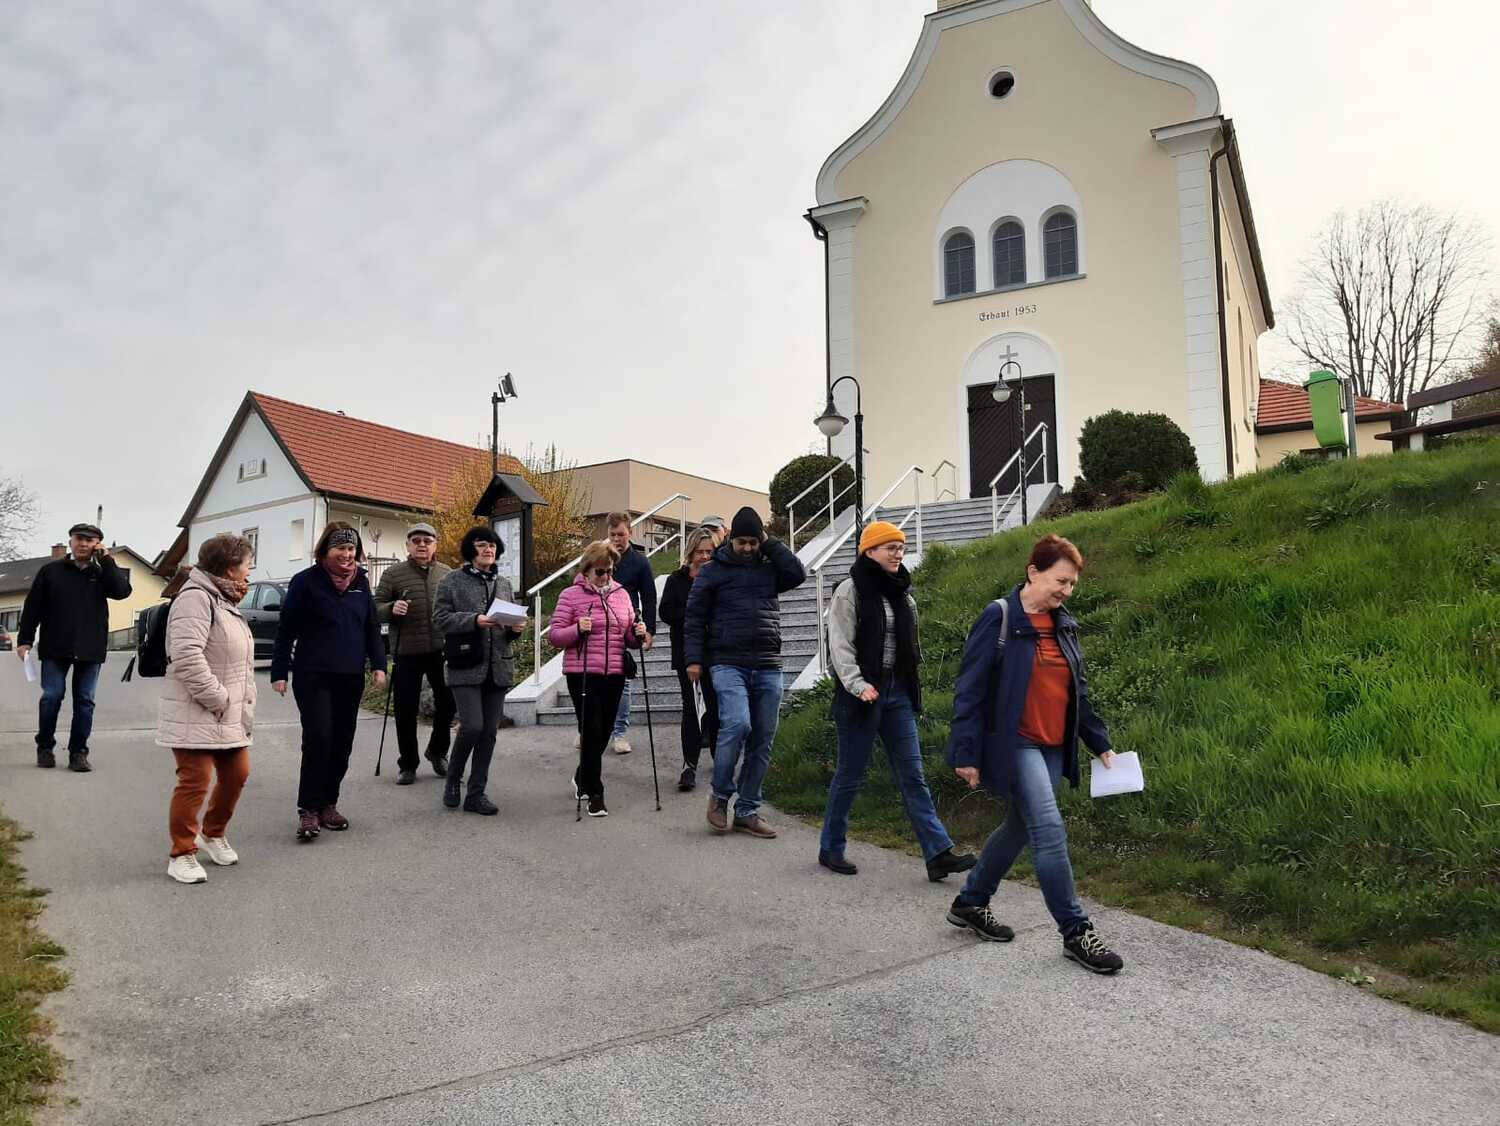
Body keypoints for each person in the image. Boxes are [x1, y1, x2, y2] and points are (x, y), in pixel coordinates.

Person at [943, 533, 1124, 975]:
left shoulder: (1064, 624)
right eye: (1061, 581)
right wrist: (965, 751)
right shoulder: (1000, 617)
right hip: (1016, 742)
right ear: (1033, 572)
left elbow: (1076, 690)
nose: (1067, 591)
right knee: (1047, 828)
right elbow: (970, 688)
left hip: (1052, 743)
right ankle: (1076, 931)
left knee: (1019, 827)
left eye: (1072, 584)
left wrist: (1098, 740)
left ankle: (971, 902)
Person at [818, 522, 976, 881]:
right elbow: (839, 645)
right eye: (890, 547)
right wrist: (857, 684)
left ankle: (937, 854)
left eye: (901, 547)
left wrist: (908, 685)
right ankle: (831, 848)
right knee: (850, 776)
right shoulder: (849, 590)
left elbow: (910, 647)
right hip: (860, 696)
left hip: (897, 695)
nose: (898, 553)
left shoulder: (903, 593)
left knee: (912, 775)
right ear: (869, 551)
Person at [683, 506, 805, 838]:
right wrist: (693, 659)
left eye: (754, 541)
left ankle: (747, 809)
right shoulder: (712, 571)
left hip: (767, 662)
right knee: (737, 724)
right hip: (727, 662)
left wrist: (770, 543)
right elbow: (694, 618)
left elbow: (798, 574)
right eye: (742, 542)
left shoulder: (769, 566)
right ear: (731, 540)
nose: (748, 548)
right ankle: (720, 796)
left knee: (763, 738)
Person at [270, 522, 386, 841]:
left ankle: (328, 804)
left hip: (350, 676)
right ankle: (308, 809)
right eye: (340, 549)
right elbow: (286, 629)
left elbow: (371, 628)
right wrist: (279, 671)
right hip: (313, 675)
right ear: (325, 550)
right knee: (319, 738)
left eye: (351, 549)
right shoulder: (305, 582)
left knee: (342, 742)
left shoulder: (361, 583)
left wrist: (379, 665)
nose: (347, 555)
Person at [155, 533, 257, 884]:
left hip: (226, 712)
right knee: (195, 781)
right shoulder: (195, 597)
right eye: (247, 564)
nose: (250, 570)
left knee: (237, 774)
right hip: (197, 708)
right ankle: (181, 853)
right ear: (229, 568)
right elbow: (186, 655)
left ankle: (213, 833)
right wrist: (217, 698)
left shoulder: (224, 598)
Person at [16, 522, 133, 772]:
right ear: (70, 541)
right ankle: (45, 746)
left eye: (90, 540)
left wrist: (108, 561)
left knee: (85, 701)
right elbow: (33, 607)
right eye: (79, 538)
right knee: (51, 696)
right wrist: (25, 640)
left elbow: (122, 591)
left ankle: (78, 752)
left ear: (97, 545)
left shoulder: (102, 572)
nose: (83, 544)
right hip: (55, 645)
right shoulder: (51, 571)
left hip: (90, 648)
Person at [546, 541, 647, 817]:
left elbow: (628, 637)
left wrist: (637, 633)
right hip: (582, 674)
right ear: (587, 570)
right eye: (600, 572)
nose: (605, 577)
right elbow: (555, 636)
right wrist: (577, 629)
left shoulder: (621, 595)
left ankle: (582, 776)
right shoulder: (570, 595)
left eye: (610, 571)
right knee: (591, 730)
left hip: (614, 673)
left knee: (603, 733)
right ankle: (596, 793)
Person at [432, 526, 526, 815]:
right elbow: (440, 618)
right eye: (482, 544)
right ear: (470, 549)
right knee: (472, 726)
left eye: (493, 545)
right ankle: (453, 779)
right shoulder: (451, 581)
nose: (488, 549)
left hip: (498, 667)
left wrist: (516, 629)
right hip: (464, 666)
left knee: (488, 733)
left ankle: (476, 793)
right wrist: (474, 620)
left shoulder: (504, 584)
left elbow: (508, 627)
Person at [374, 522, 456, 785]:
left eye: (427, 541)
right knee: (405, 710)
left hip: (441, 651)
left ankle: (437, 752)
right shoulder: (393, 574)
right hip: (406, 651)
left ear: (435, 545)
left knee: (449, 702)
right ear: (408, 545)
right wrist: (391, 608)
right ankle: (408, 764)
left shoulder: (447, 573)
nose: (422, 545)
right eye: (416, 541)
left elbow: (457, 606)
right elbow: (375, 607)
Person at [657, 527, 719, 792]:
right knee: (691, 709)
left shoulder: (719, 577)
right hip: (685, 652)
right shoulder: (676, 580)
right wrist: (694, 613)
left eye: (709, 552)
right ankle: (689, 765)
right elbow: (666, 612)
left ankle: (720, 759)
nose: (704, 557)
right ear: (690, 552)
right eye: (700, 552)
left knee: (716, 706)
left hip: (715, 652)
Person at [604, 513, 656, 755]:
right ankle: (588, 728)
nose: (617, 539)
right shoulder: (600, 555)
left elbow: (649, 597)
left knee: (623, 680)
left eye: (621, 535)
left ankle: (619, 733)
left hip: (625, 625)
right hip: (598, 625)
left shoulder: (640, 562)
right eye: (612, 534)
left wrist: (649, 630)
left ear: (630, 533)